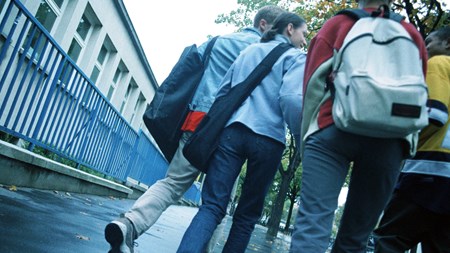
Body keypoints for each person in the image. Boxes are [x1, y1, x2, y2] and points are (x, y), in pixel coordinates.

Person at [104, 5, 285, 253]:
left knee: (172, 183)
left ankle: (129, 224)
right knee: (216, 203)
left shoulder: (216, 42)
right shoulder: (264, 52)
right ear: (263, 24)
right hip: (229, 131)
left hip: (196, 122)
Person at [288, 0, 428, 252]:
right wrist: (408, 144)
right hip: (390, 139)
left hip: (332, 128)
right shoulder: (411, 34)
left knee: (313, 224)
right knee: (356, 236)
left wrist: (307, 138)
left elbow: (312, 86)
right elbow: (418, 92)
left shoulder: (337, 25)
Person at [176, 12, 308, 253]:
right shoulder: (295, 57)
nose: (304, 41)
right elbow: (291, 100)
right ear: (290, 29)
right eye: (303, 34)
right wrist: (300, 139)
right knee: (246, 217)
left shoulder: (249, 52)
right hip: (268, 140)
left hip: (232, 133)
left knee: (212, 207)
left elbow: (223, 92)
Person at [373, 26, 450, 253]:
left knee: (391, 239)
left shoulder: (440, 63)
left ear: (447, 44)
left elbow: (434, 114)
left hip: (427, 173)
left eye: (429, 41)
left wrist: (398, 139)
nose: (423, 47)